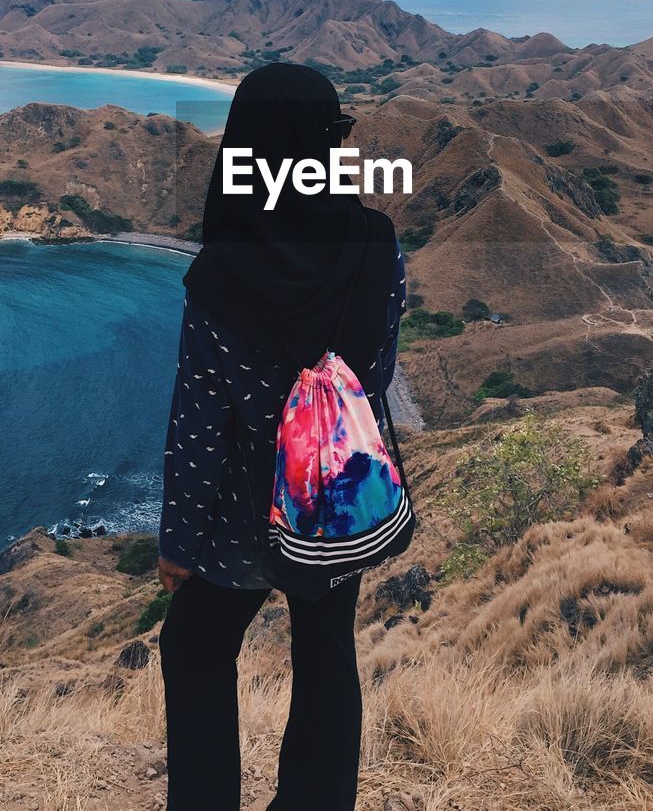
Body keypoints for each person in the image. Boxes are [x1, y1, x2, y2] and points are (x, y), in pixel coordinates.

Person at [156, 62, 406, 811]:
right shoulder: (378, 244)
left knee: (195, 648)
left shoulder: (222, 275)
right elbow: (377, 376)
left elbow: (201, 427)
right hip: (336, 499)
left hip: (242, 513)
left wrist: (177, 540)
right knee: (328, 656)